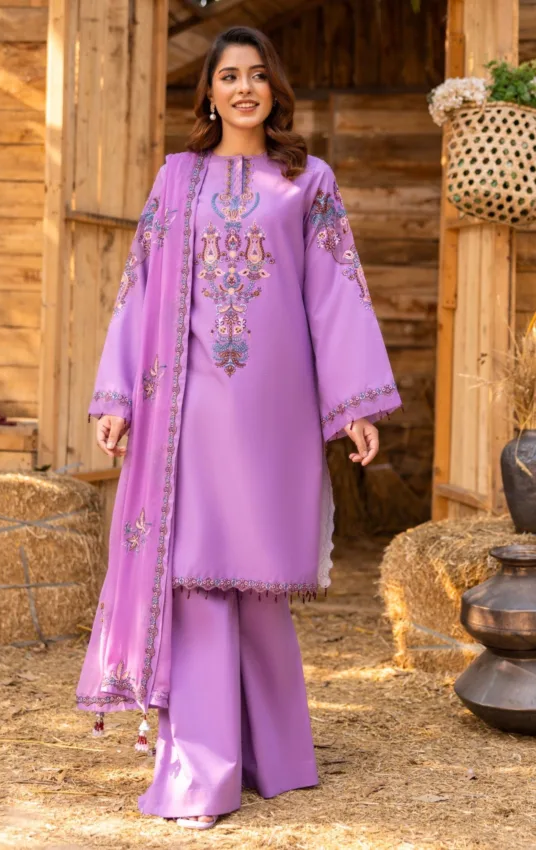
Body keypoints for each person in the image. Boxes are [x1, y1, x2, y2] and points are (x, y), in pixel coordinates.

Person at [75, 25, 401, 830]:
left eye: (257, 75)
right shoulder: (177, 178)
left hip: (272, 409)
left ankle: (276, 757)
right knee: (194, 574)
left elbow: (336, 294)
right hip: (186, 411)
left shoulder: (306, 179)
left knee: (255, 581)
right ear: (210, 94)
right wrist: (118, 396)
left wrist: (354, 406)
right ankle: (203, 772)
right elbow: (139, 288)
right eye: (228, 76)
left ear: (273, 89)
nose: (244, 88)